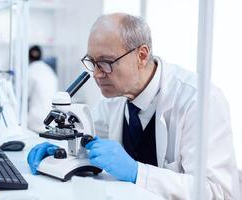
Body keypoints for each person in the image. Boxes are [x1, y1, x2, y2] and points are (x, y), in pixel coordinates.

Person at [27, 13, 239, 199]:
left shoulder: (199, 102)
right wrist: (61, 153)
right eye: (92, 62)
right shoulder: (113, 100)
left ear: (142, 55)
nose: (97, 74)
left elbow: (217, 191)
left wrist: (138, 172)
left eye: (106, 62)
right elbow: (89, 141)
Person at [28, 45, 58, 133]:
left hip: (36, 122)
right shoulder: (50, 71)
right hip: (52, 120)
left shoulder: (30, 70)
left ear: (28, 58)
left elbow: (25, 95)